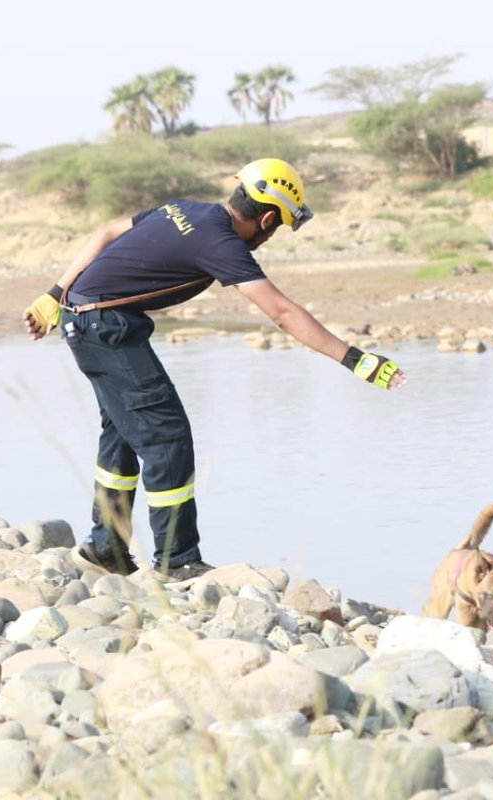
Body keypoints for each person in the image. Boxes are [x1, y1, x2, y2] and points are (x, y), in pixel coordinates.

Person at [23, 158, 406, 581]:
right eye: (277, 226)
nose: (272, 234)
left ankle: (105, 547)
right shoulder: (222, 243)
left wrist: (54, 294)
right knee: (166, 436)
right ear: (265, 218)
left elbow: (106, 233)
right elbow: (281, 311)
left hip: (90, 320)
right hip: (104, 327)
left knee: (123, 431)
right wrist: (355, 359)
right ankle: (176, 560)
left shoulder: (188, 209)